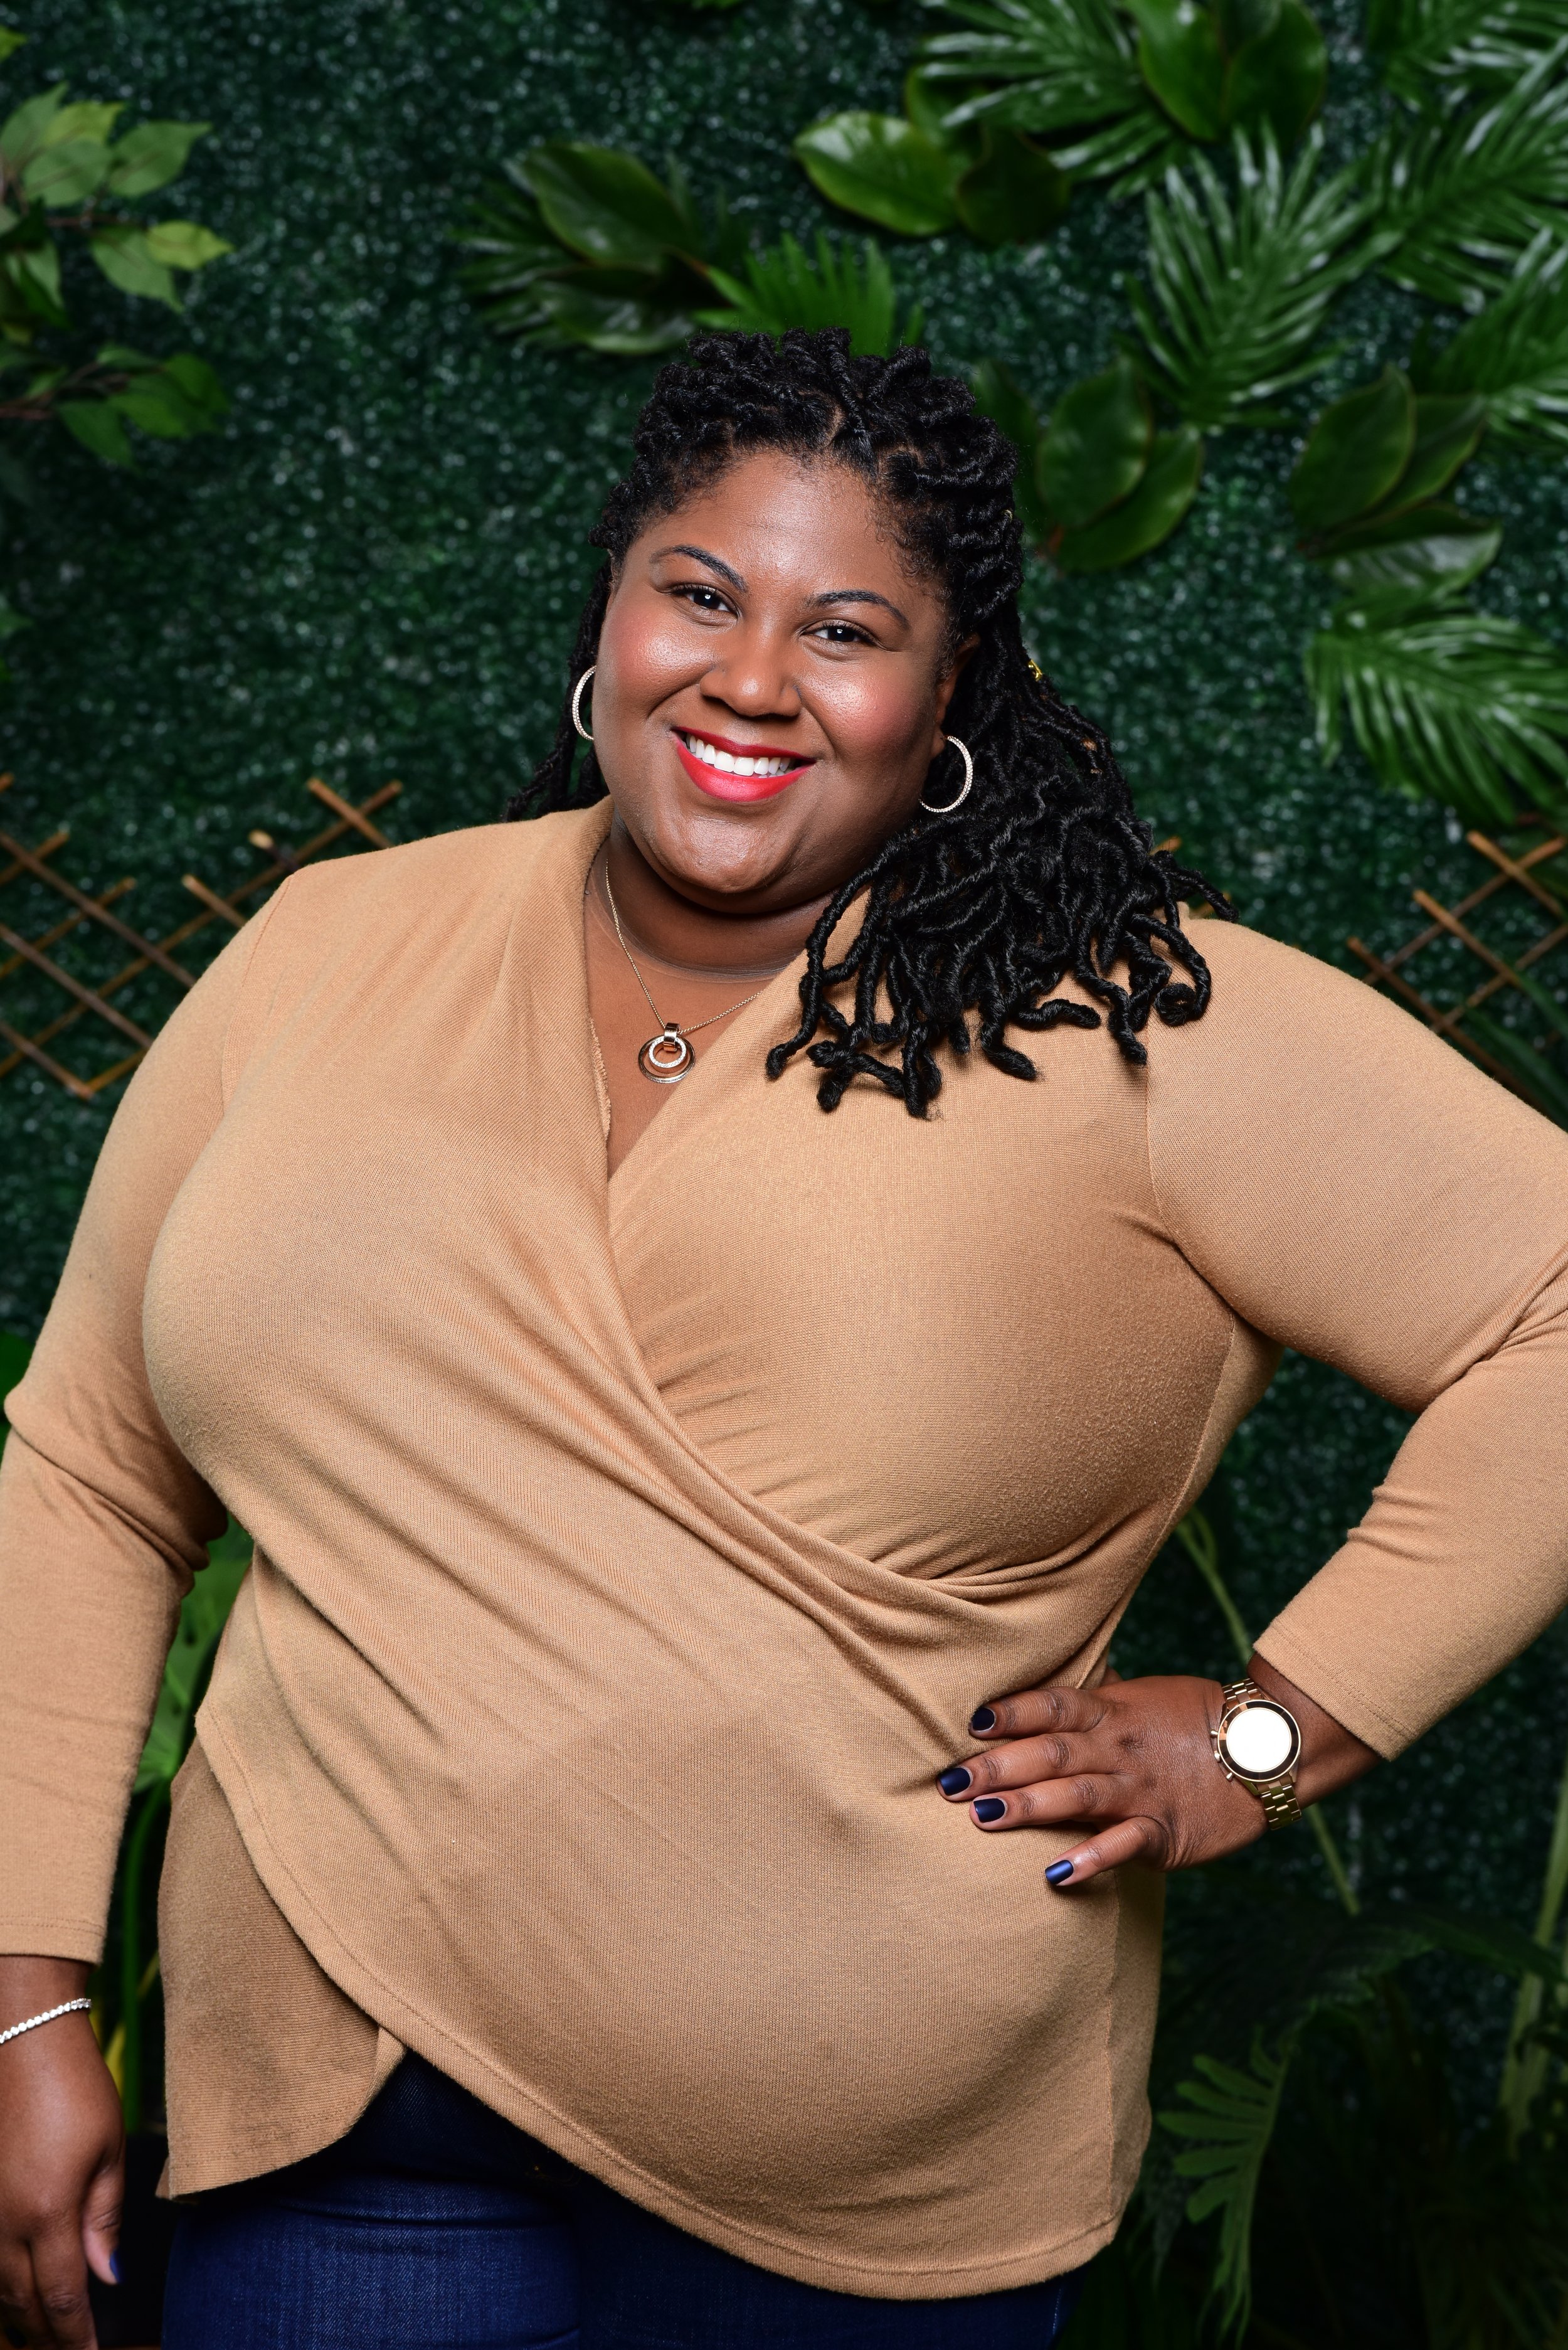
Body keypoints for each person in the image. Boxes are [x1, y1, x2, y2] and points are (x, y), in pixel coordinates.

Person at [1, 327, 1565, 2350]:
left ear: (949, 694)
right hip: (337, 2123)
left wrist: (1264, 1738)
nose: (750, 677)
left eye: (843, 630)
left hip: (863, 2203)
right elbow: (89, 1472)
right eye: (700, 592)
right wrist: (25, 1990)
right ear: (610, 614)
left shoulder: (1131, 1026)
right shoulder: (333, 946)